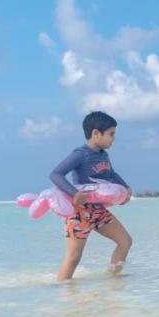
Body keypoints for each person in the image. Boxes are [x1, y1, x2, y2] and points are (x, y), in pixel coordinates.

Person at [49, 111, 133, 282]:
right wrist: (74, 194)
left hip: (98, 211)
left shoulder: (103, 154)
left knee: (125, 241)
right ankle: (62, 293)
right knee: (74, 258)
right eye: (111, 134)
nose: (113, 138)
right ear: (96, 133)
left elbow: (111, 174)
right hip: (78, 212)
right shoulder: (81, 154)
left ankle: (115, 281)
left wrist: (126, 188)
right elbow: (56, 174)